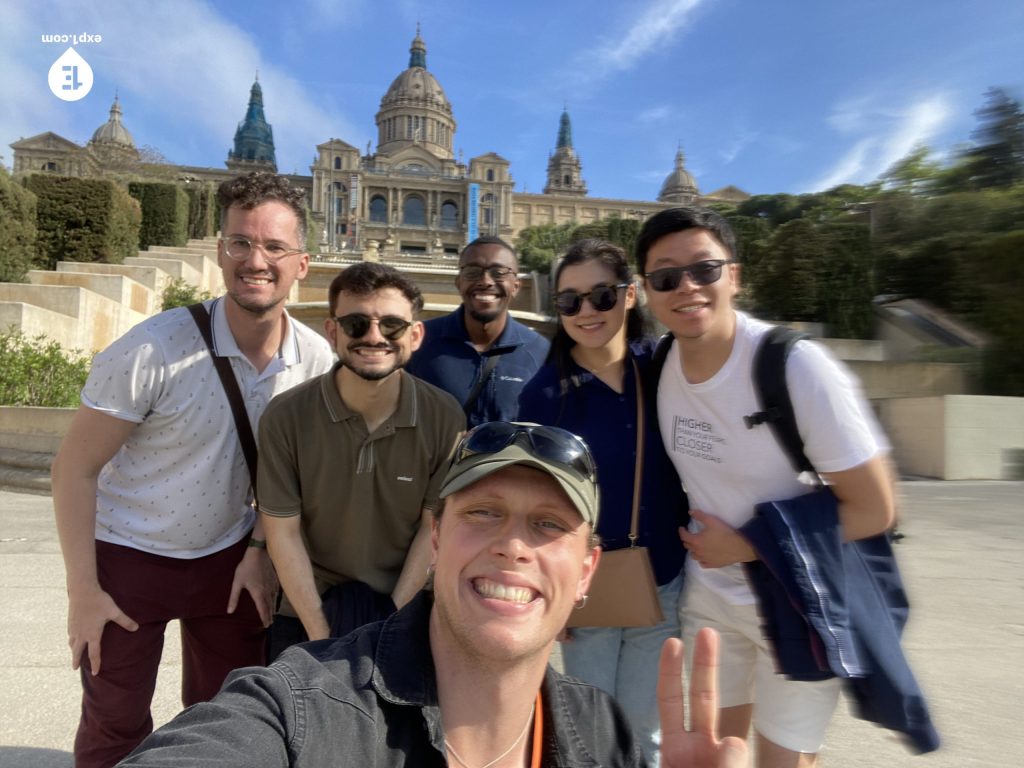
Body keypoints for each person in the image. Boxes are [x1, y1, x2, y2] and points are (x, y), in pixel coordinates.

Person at [117, 421, 749, 767]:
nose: (513, 546)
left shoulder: (606, 737)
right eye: (483, 513)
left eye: (548, 525)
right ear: (438, 540)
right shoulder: (301, 710)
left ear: (586, 572)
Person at [51, 171, 335, 768]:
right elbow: (74, 470)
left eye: (274, 247)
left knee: (227, 720)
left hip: (232, 560)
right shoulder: (151, 349)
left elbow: (295, 477)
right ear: (220, 252)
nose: (255, 260)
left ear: (302, 263)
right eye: (241, 242)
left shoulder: (315, 359)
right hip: (128, 556)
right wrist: (83, 592)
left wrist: (259, 549)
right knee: (114, 722)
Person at [635, 206, 896, 768]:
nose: (686, 287)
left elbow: (875, 509)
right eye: (666, 277)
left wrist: (749, 544)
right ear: (647, 291)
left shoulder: (797, 367)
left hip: (798, 599)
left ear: (734, 275)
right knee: (713, 757)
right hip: (709, 598)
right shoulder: (660, 363)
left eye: (704, 269)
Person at [517, 238, 686, 764]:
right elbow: (537, 501)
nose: (586, 311)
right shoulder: (544, 395)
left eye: (601, 295)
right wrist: (550, 593)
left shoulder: (664, 369)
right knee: (591, 731)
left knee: (645, 734)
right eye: (570, 301)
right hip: (585, 589)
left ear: (629, 295)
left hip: (663, 576)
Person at [258, 262, 465, 660]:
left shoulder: (444, 417)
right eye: (356, 324)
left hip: (403, 607)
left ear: (415, 335)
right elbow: (283, 534)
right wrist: (322, 636)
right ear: (332, 331)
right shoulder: (286, 417)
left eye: (392, 325)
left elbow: (432, 530)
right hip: (308, 606)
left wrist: (387, 629)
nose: (374, 337)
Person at [406, 236, 549, 426]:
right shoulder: (419, 342)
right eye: (473, 272)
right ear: (458, 283)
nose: (485, 281)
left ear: (516, 286)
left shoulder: (540, 352)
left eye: (498, 272)